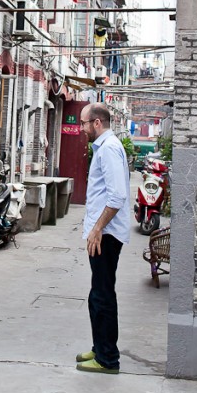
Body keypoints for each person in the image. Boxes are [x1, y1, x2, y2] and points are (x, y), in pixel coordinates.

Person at [75, 102, 131, 374]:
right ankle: (100, 348)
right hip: (102, 233)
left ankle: (108, 359)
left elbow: (117, 196)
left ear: (97, 123)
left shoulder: (108, 149)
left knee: (103, 295)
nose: (82, 128)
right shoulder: (105, 147)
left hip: (105, 235)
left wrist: (97, 229)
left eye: (84, 123)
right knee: (98, 293)